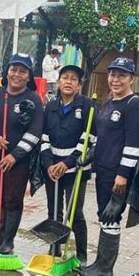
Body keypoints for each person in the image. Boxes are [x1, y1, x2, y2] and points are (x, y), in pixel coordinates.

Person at [77, 57, 139, 276]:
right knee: (104, 214)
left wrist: (122, 176)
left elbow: (133, 143)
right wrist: (90, 153)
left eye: (122, 75)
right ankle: (100, 264)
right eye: (113, 75)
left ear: (131, 79)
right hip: (104, 170)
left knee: (111, 216)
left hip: (117, 174)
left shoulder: (133, 104)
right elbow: (103, 136)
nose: (116, 80)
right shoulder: (109, 102)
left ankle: (105, 268)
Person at [0, 54, 45, 254]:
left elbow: (36, 131)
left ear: (29, 76)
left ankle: (8, 240)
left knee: (12, 198)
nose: (17, 74)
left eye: (23, 71)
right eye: (14, 69)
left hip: (18, 162)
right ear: (7, 72)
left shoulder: (33, 99)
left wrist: (14, 155)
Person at [40, 64, 94, 262]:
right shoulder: (50, 107)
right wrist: (49, 165)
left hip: (76, 169)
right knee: (53, 209)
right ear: (59, 82)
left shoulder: (87, 106)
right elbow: (44, 137)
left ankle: (81, 255)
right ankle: (55, 247)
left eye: (73, 79)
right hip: (52, 168)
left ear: (79, 85)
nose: (69, 82)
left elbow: (89, 138)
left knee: (74, 212)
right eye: (65, 78)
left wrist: (68, 163)